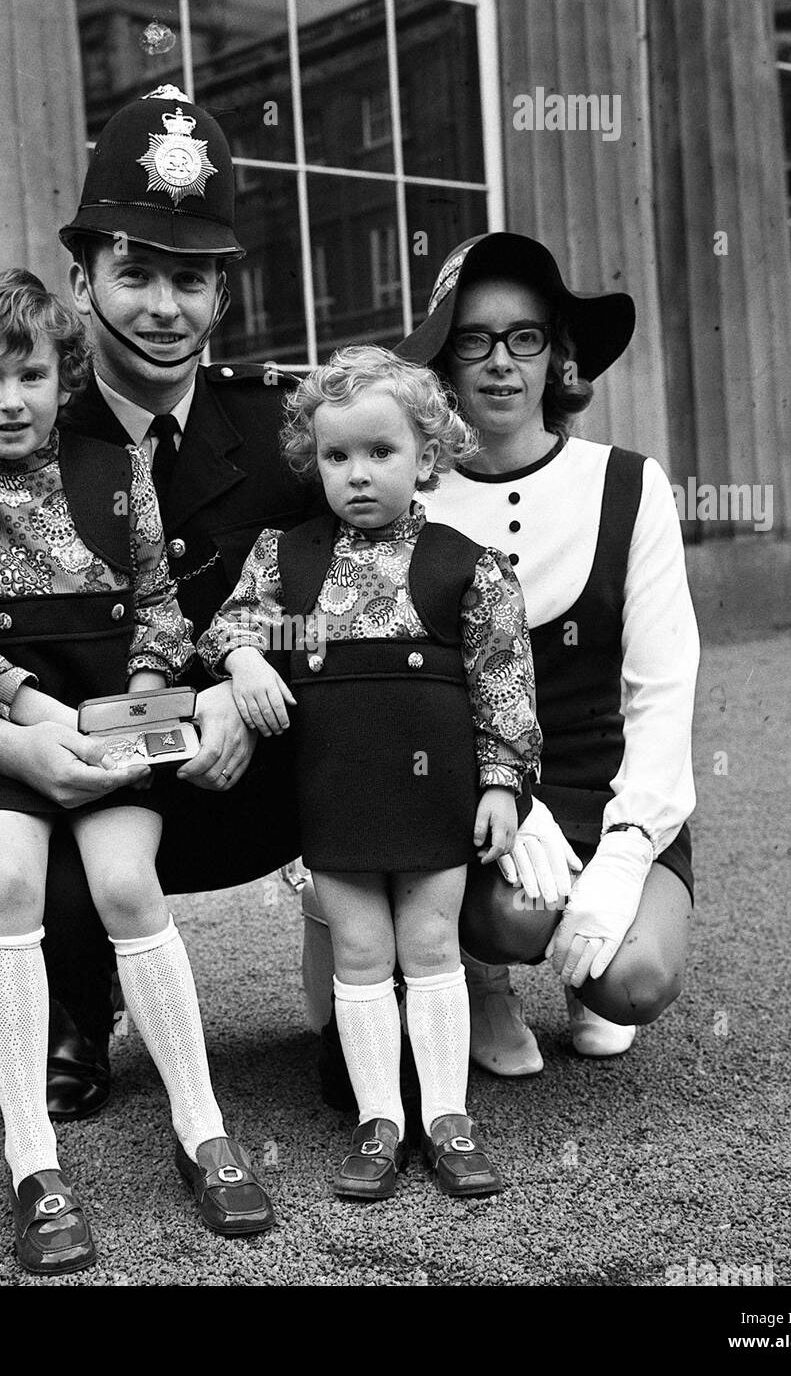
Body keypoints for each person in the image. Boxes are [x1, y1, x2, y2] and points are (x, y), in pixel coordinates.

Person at [0, 86, 320, 1128]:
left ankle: (381, 971)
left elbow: (358, 590)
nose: (161, 306)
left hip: (233, 780)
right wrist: (2, 748)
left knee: (381, 712)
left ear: (224, 294)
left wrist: (241, 682)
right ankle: (74, 997)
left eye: (190, 278)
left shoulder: (284, 432)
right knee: (36, 828)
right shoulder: (8, 427)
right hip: (63, 773)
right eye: (133, 272)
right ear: (82, 278)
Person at [0, 268, 273, 1272]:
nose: (10, 400)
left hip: (111, 726)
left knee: (125, 880)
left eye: (31, 376)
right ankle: (33, 1159)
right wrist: (31, 714)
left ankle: (203, 1126)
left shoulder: (115, 470)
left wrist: (136, 708)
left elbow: (158, 608)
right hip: (2, 735)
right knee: (8, 878)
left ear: (64, 380)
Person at [304, 232, 699, 1082]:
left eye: (525, 337)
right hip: (476, 790)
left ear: (555, 355)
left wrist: (626, 852)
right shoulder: (401, 495)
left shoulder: (628, 482)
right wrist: (511, 792)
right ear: (442, 364)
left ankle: (592, 964)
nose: (499, 362)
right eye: (471, 340)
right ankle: (482, 985)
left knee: (634, 979)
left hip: (607, 783)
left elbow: (663, 689)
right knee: (515, 920)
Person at [198, 347, 542, 1198]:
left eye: (379, 453)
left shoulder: (468, 563)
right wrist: (245, 662)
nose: (356, 474)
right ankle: (378, 1119)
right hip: (334, 789)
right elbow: (227, 626)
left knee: (429, 947)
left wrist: (501, 783)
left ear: (427, 456)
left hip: (436, 796)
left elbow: (505, 683)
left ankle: (447, 1121)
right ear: (311, 462)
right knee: (358, 951)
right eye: (335, 456)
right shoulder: (289, 558)